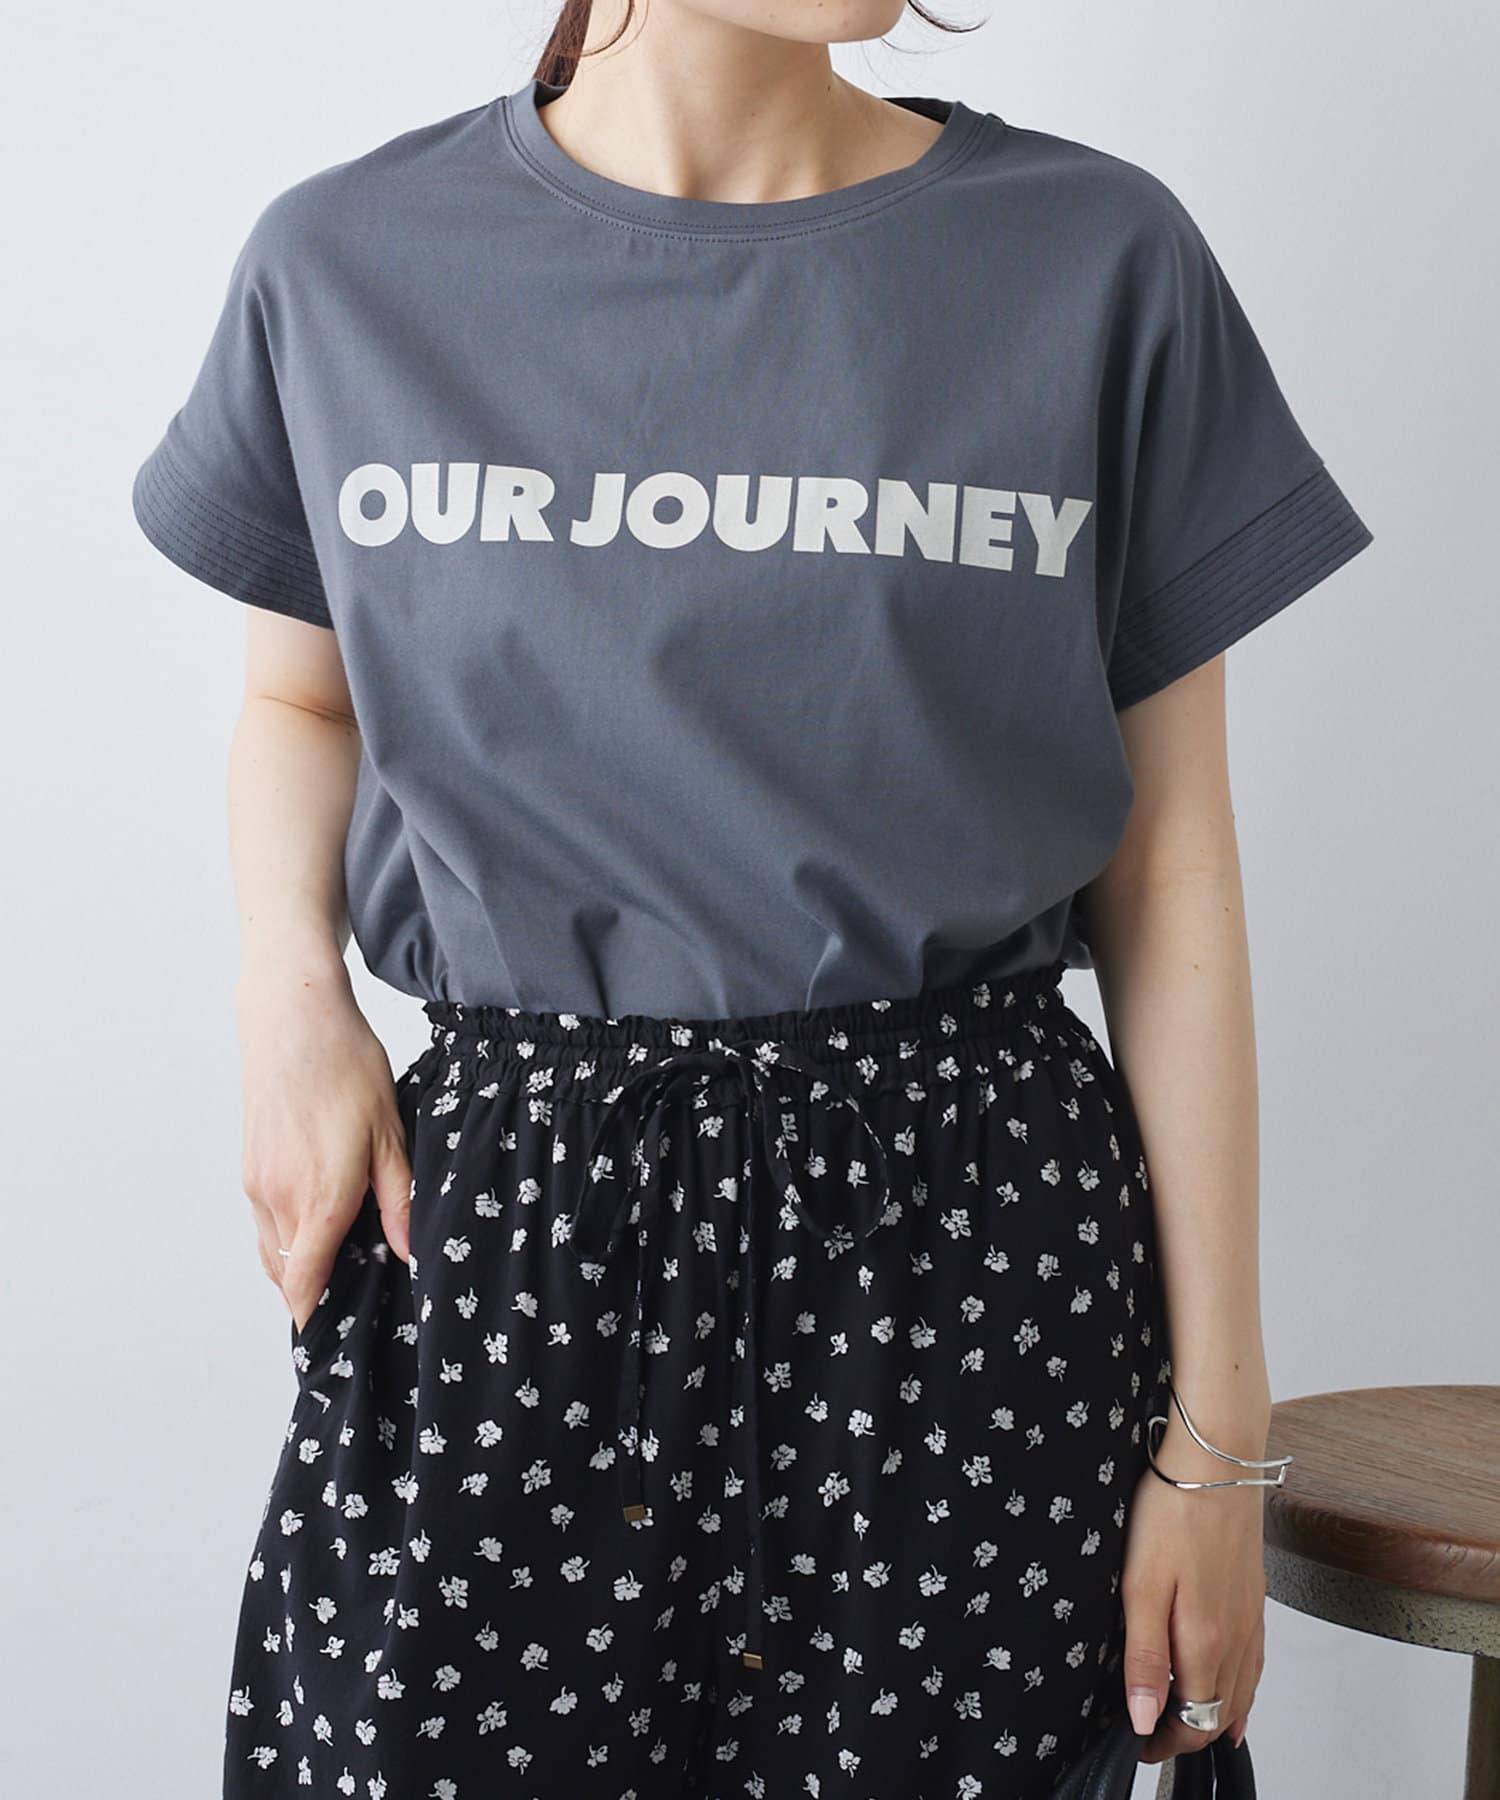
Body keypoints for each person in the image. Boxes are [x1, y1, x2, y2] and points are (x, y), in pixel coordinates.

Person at [129, 2, 1374, 1796]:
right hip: (511, 1252)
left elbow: (1168, 863)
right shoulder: (345, 265)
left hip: (967, 1266)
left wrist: (1216, 1439)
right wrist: (289, 997)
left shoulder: (1096, 261)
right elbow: (300, 701)